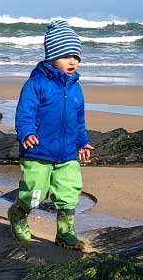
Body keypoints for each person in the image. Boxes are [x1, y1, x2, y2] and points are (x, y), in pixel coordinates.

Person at [8, 20, 94, 250]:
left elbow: (78, 120)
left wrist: (82, 142)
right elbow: (25, 113)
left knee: (69, 191)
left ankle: (65, 232)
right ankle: (18, 212)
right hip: (38, 152)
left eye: (76, 56)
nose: (73, 61)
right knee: (34, 193)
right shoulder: (36, 84)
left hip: (67, 154)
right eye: (66, 55)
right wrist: (26, 132)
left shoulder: (75, 88)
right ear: (52, 56)